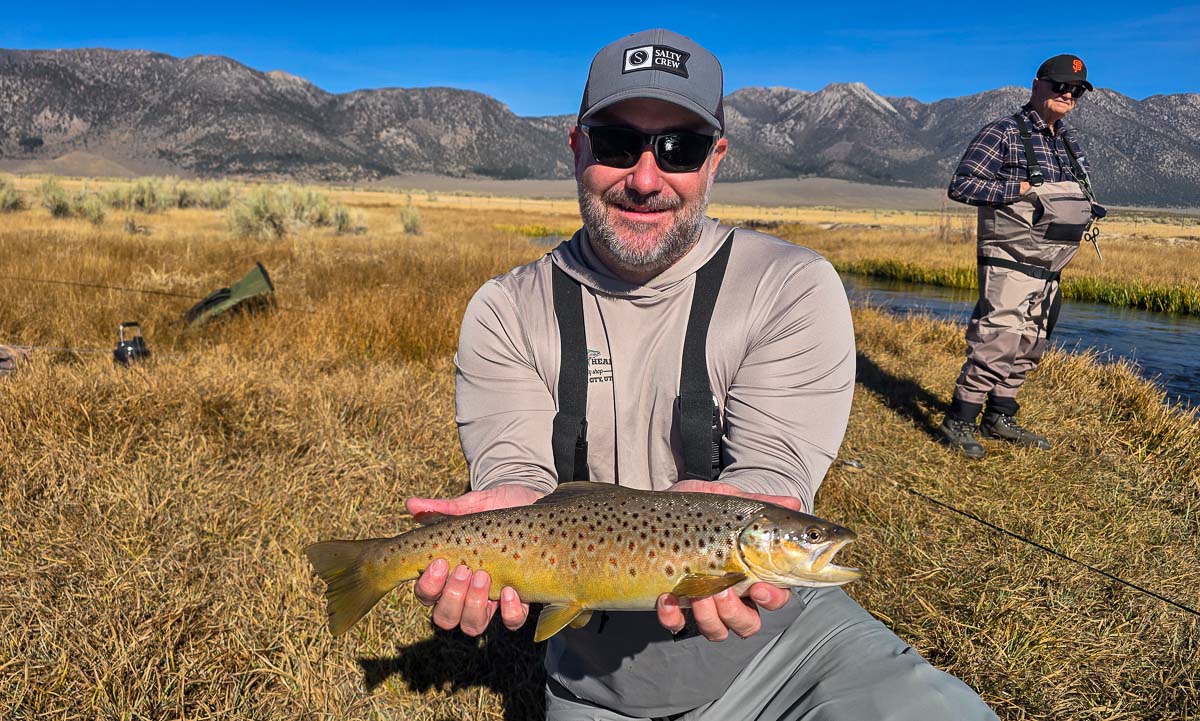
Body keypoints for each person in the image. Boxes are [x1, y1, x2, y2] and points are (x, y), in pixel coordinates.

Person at [406, 28, 998, 720]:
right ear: (577, 150)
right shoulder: (505, 310)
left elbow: (778, 464)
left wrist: (758, 499)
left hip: (788, 649)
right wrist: (505, 508)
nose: (646, 178)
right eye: (618, 144)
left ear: (716, 159)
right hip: (598, 680)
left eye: (679, 148)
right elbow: (514, 469)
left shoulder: (791, 286)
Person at [938, 54, 1103, 459]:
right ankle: (959, 419)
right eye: (1060, 86)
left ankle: (1000, 416)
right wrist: (1024, 190)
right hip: (1009, 260)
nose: (1069, 94)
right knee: (997, 340)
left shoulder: (1068, 141)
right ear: (1036, 85)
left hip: (1051, 266)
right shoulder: (1003, 133)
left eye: (1076, 90)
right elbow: (961, 186)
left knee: (1031, 343)